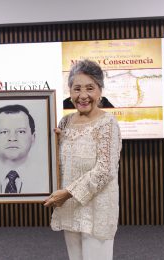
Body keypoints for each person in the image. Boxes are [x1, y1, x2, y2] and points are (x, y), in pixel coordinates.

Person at [44, 59, 122, 260]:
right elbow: (58, 161)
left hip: (97, 210)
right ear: (70, 91)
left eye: (90, 88)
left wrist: (68, 193)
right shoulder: (65, 122)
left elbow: (105, 170)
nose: (83, 95)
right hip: (70, 208)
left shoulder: (108, 123)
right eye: (76, 88)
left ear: (100, 90)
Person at [0, 104, 49, 194]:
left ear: (33, 137)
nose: (12, 138)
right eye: (4, 132)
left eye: (21, 131)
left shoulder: (47, 178)